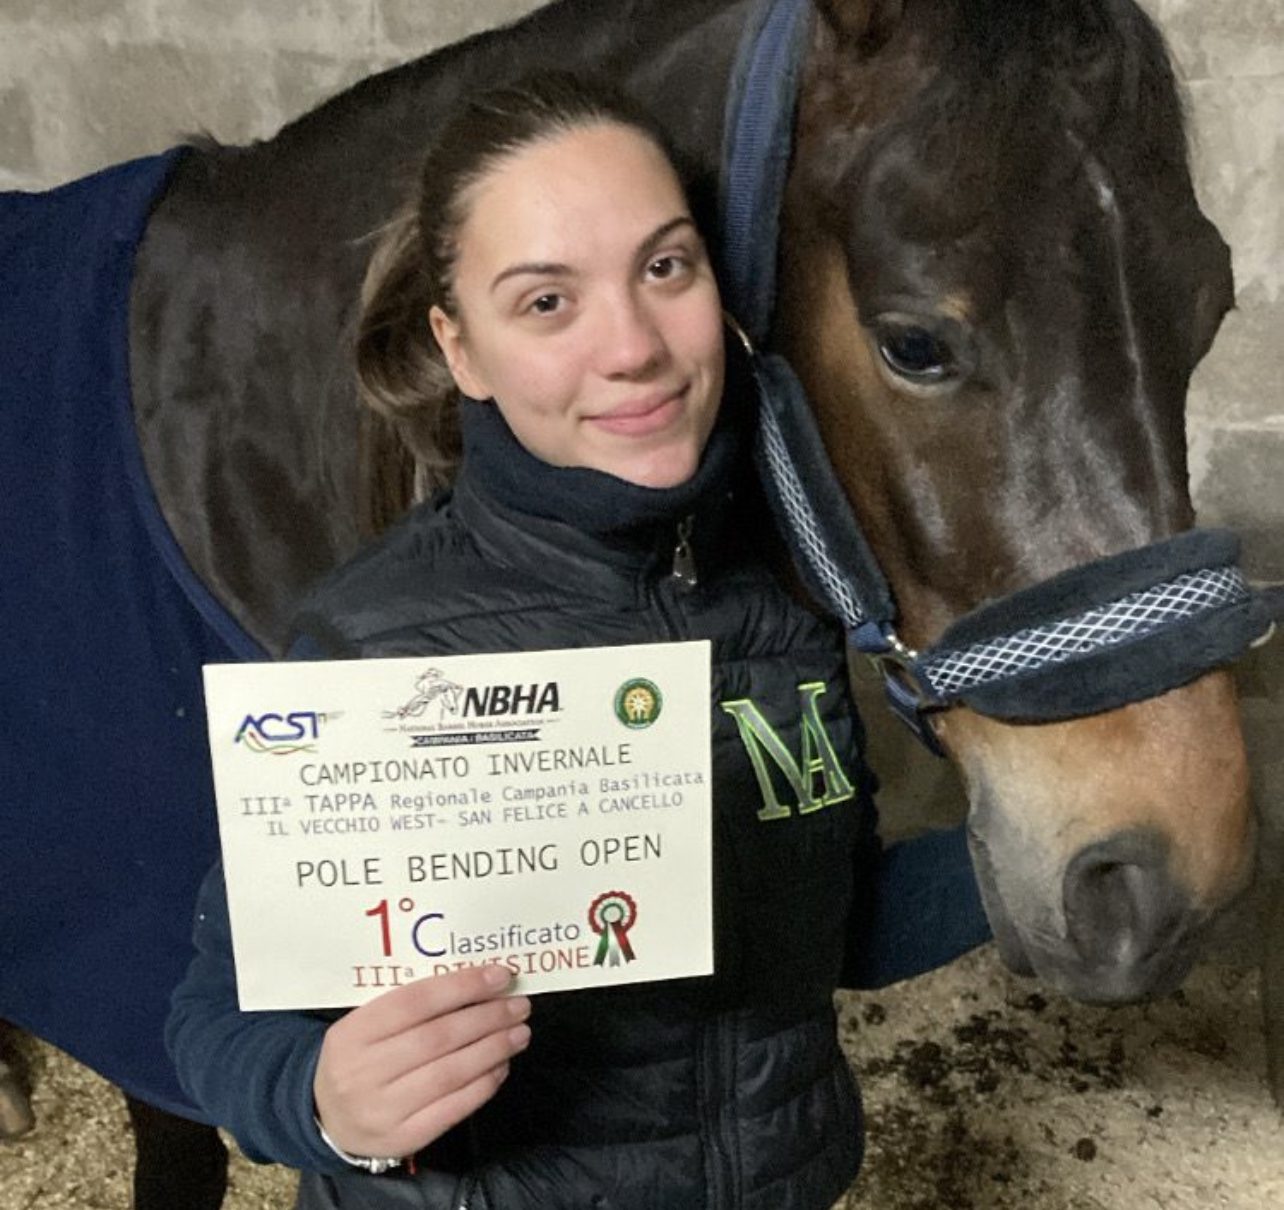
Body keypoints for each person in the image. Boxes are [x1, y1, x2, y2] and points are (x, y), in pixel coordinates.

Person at [167, 72, 990, 1210]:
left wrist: (1036, 850)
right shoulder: (373, 645)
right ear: (460, 350)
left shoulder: (788, 602)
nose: (636, 349)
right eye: (547, 302)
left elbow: (829, 933)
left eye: (665, 268)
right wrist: (324, 1102)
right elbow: (216, 1013)